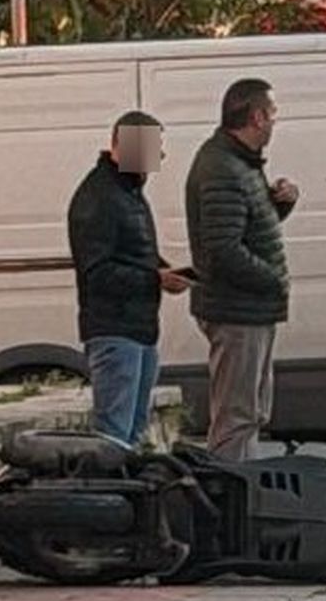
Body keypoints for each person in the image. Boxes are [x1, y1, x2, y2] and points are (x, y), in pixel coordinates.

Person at [186, 78, 300, 462]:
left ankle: (243, 497)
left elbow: (242, 226)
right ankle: (228, 503)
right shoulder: (223, 167)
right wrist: (274, 280)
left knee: (250, 413)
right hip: (237, 309)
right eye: (273, 115)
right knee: (236, 418)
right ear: (256, 117)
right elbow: (223, 249)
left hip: (248, 307)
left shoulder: (239, 164)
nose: (274, 123)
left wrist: (278, 204)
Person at [66, 111, 190, 445]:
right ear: (119, 147)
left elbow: (133, 252)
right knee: (115, 435)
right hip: (115, 328)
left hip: (137, 327)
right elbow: (98, 272)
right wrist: (156, 279)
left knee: (131, 431)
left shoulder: (126, 193)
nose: (158, 158)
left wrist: (164, 271)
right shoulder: (102, 197)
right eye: (151, 149)